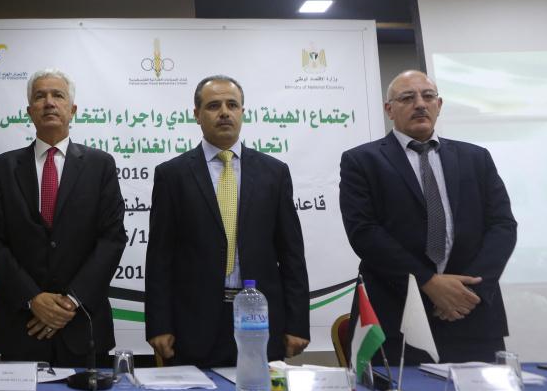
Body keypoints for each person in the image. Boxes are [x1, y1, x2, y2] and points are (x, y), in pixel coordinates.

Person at [339, 70, 517, 363]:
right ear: (389, 109)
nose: (420, 104)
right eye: (408, 98)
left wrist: (467, 292)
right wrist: (428, 282)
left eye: (428, 96)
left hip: (471, 315)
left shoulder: (476, 158)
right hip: (396, 318)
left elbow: (502, 226)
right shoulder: (361, 161)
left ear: (439, 104)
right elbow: (364, 232)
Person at [145, 75, 310, 367]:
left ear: (242, 112)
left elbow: (291, 254)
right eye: (213, 106)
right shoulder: (172, 175)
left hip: (260, 319)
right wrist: (159, 323)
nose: (224, 112)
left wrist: (297, 322)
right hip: (192, 324)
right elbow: (160, 257)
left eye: (232, 105)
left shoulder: (274, 173)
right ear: (196, 114)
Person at [0, 69, 127, 366]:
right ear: (29, 111)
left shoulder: (100, 165)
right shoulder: (1, 169)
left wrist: (70, 301)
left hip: (83, 324)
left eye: (57, 95)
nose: (49, 102)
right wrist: (33, 299)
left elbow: (111, 240)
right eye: (40, 96)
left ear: (72, 110)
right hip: (22, 326)